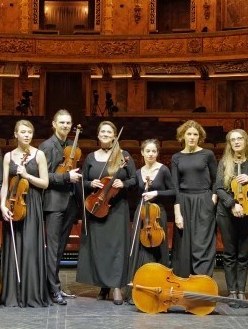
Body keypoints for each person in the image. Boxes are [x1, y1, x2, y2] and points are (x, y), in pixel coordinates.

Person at [77, 121, 136, 305]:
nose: (104, 134)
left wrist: (123, 184)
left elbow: (135, 179)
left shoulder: (123, 156)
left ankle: (117, 286)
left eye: (108, 132)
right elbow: (82, 181)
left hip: (117, 208)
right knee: (101, 249)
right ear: (98, 135)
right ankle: (104, 286)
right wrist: (90, 184)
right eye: (102, 131)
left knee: (117, 248)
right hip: (97, 207)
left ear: (114, 135)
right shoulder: (91, 158)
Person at [0, 120, 51, 307]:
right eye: (23, 132)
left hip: (32, 203)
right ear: (16, 134)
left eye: (30, 132)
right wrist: (3, 206)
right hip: (12, 203)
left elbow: (45, 183)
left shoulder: (39, 155)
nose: (27, 135)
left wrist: (27, 175)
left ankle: (31, 294)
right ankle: (12, 294)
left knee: (29, 247)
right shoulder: (8, 156)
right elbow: (5, 184)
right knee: (13, 248)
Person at [39, 110, 82, 305]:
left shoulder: (72, 146)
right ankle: (52, 290)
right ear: (54, 124)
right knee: (53, 248)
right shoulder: (47, 146)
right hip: (54, 202)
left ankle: (55, 285)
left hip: (70, 202)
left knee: (61, 248)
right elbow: (44, 177)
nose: (65, 126)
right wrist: (66, 177)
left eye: (68, 123)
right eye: (62, 122)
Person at [127, 139, 174, 304]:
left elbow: (173, 191)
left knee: (157, 249)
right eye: (148, 151)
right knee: (139, 250)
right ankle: (137, 290)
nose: (151, 154)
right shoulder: (138, 172)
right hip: (141, 214)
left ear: (157, 153)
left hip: (157, 214)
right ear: (142, 153)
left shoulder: (164, 170)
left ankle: (160, 290)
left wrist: (156, 193)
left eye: (154, 151)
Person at [215, 129, 248, 302]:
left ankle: (241, 290)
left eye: (240, 138)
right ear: (229, 144)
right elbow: (218, 188)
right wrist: (232, 204)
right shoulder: (224, 163)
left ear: (246, 141)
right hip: (226, 213)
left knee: (243, 253)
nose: (236, 142)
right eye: (233, 140)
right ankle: (232, 291)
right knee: (229, 253)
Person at [170, 120, 218, 279]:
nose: (192, 137)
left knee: (202, 241)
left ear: (200, 137)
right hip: (184, 200)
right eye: (188, 134)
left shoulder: (207, 154)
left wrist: (213, 199)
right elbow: (175, 186)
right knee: (184, 244)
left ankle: (202, 282)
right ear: (182, 136)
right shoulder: (176, 157)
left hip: (203, 199)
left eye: (195, 134)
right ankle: (184, 284)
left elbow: (216, 179)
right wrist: (177, 213)